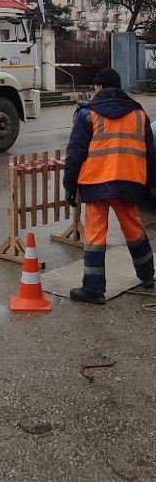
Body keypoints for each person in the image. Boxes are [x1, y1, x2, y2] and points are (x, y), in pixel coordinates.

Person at [63, 67, 156, 304]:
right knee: (134, 229)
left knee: (95, 234)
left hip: (96, 183)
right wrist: (148, 185)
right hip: (129, 182)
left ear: (100, 87)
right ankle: (147, 275)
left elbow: (75, 154)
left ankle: (93, 289)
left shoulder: (87, 114)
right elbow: (151, 155)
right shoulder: (139, 114)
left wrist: (69, 186)